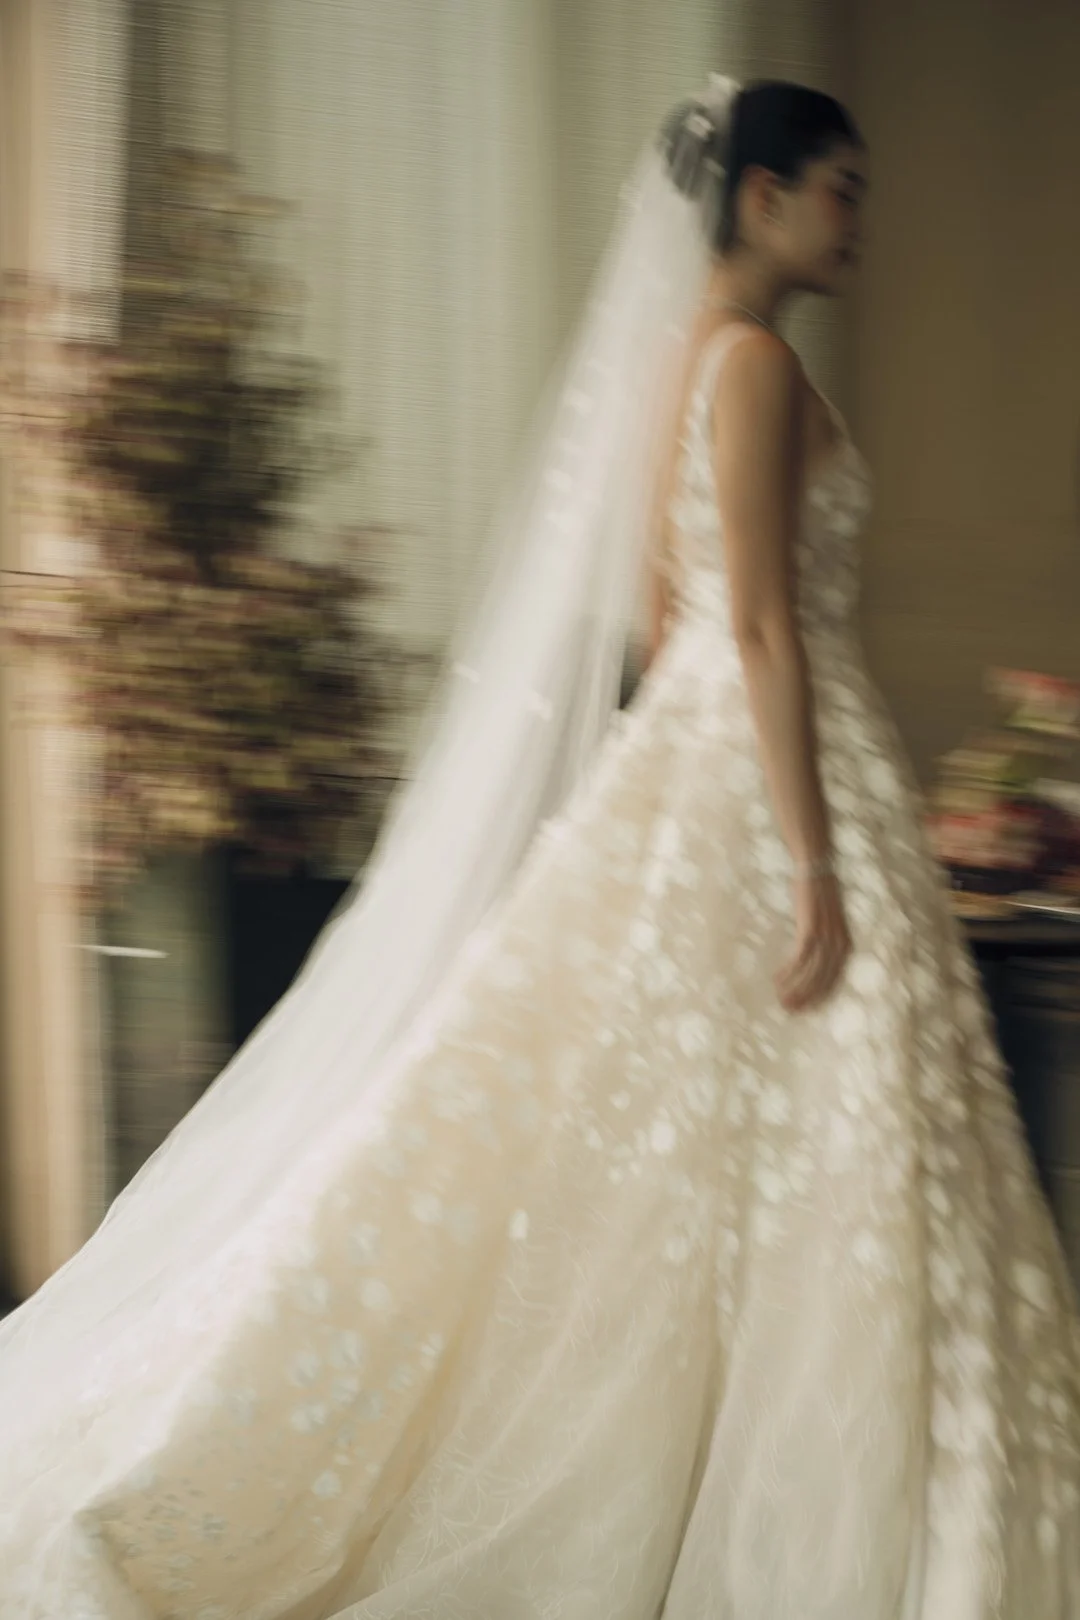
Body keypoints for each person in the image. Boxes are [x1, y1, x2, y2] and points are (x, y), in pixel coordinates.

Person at [0, 77, 1077, 1620]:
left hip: (703, 761)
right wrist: (819, 856)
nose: (858, 220)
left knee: (692, 1148)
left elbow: (670, 620)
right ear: (760, 195)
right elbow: (763, 627)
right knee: (833, 1144)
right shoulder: (759, 364)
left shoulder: (678, 366)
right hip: (783, 767)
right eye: (839, 186)